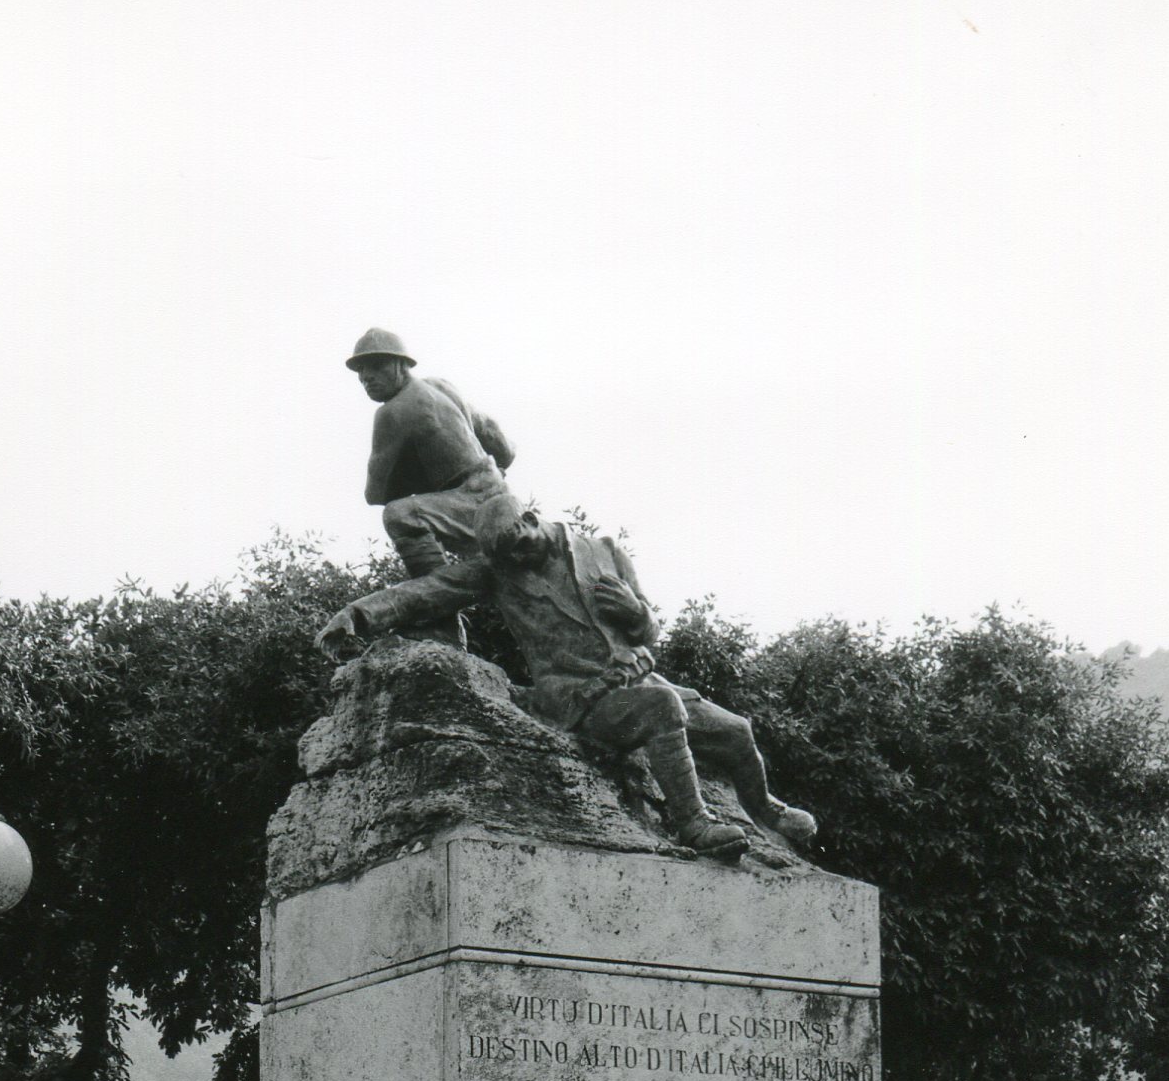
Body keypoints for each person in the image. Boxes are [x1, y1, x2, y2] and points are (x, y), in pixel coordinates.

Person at [317, 488, 819, 862]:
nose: (515, 559)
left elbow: (650, 631)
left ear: (532, 519)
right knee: (662, 711)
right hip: (579, 698)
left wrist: (636, 613)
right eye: (503, 556)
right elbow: (426, 590)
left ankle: (766, 813)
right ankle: (693, 824)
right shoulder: (497, 571)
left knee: (736, 731)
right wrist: (357, 614)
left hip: (638, 679)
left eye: (519, 543)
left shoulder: (603, 550)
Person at [346, 328, 517, 579]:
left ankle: (440, 606)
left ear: (401, 364)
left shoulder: (391, 412)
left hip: (473, 504)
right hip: (498, 492)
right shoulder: (441, 386)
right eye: (360, 370)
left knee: (399, 516)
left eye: (376, 365)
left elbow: (375, 494)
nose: (366, 377)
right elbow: (500, 443)